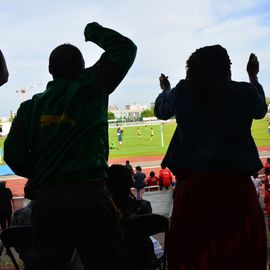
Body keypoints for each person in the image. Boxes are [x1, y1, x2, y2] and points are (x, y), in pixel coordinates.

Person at [4, 22, 137, 270]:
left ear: (50, 71)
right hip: (92, 196)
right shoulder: (92, 87)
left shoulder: (30, 107)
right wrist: (92, 30)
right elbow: (125, 48)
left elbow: (12, 153)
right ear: (82, 68)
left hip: (49, 200)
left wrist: (45, 170)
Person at [155, 46, 267, 269]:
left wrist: (165, 89)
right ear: (227, 69)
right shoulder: (244, 91)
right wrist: (253, 76)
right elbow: (260, 110)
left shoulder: (182, 91)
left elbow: (161, 110)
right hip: (238, 193)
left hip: (194, 195)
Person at [107, 164, 156, 270]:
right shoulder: (144, 206)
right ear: (131, 183)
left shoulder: (105, 212)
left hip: (115, 261)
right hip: (144, 261)